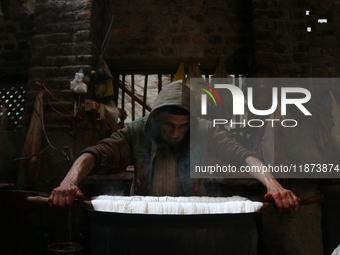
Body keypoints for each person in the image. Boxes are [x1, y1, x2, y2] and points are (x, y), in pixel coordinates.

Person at [48, 80, 300, 212]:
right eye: (168, 125)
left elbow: (242, 156)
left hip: (192, 216)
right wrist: (68, 183)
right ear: (156, 119)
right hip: (144, 215)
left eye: (183, 126)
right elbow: (95, 153)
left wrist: (274, 186)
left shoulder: (204, 130)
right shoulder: (137, 130)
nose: (176, 133)